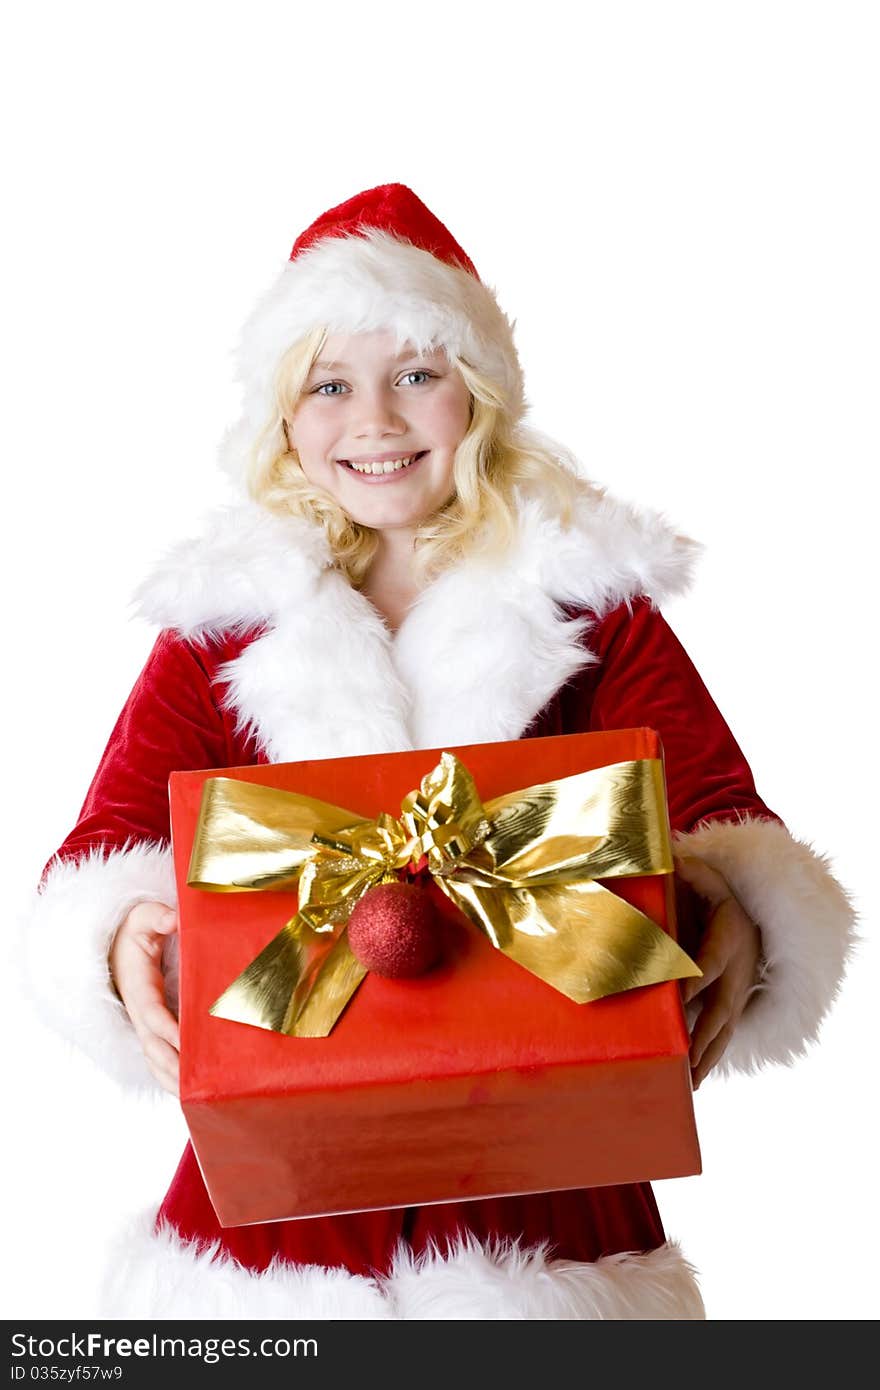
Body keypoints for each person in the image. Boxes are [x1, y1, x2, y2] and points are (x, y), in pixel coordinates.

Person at [25, 183, 855, 1320]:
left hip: (546, 1186)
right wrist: (119, 933)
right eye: (330, 386)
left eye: (415, 374)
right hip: (283, 1204)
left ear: (478, 394)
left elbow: (716, 804)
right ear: (282, 419)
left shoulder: (587, 605)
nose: (374, 420)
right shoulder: (226, 624)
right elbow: (109, 839)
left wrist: (730, 901)